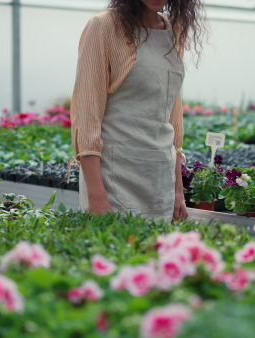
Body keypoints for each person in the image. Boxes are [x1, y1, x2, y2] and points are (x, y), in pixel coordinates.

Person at [70, 0, 206, 222]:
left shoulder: (173, 30)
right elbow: (87, 115)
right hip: (114, 178)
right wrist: (95, 196)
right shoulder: (104, 26)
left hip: (160, 177)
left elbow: (172, 111)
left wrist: (178, 191)